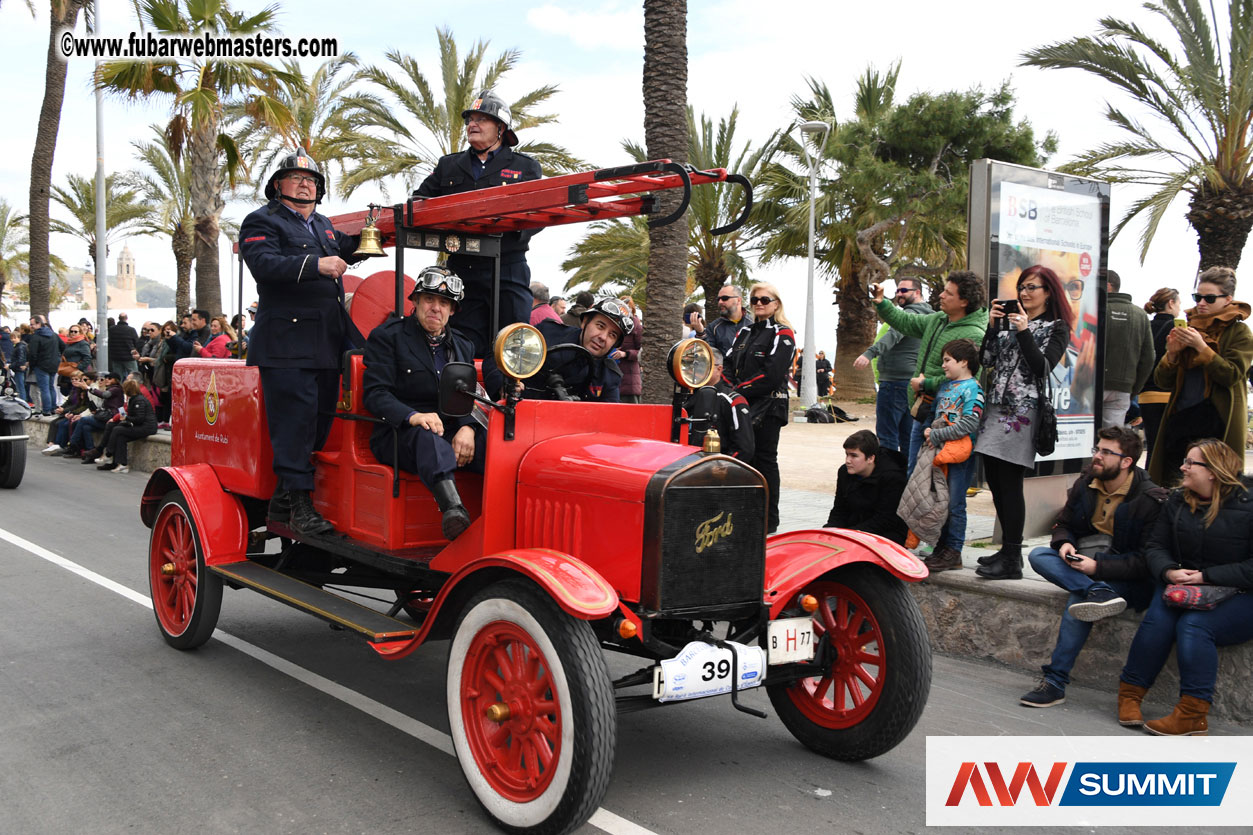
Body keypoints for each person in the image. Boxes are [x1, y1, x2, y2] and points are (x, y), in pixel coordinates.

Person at [239, 152, 365, 536]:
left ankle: (283, 500)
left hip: (327, 339)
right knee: (295, 424)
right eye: (295, 177)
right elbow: (263, 264)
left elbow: (352, 246)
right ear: (278, 185)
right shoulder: (261, 220)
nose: (305, 184)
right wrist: (316, 265)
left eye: (311, 179)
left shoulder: (324, 225)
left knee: (321, 422)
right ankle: (300, 507)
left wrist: (379, 231)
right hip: (287, 343)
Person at [1019, 426, 1165, 708]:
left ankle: (1055, 682)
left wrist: (1098, 568)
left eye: (1106, 452)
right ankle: (1097, 590)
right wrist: (1065, 543)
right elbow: (1064, 524)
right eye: (1097, 449)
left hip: (1126, 577)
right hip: (1086, 564)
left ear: (1126, 461)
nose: (1097, 456)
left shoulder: (1150, 498)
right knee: (1039, 555)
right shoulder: (1086, 482)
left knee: (1079, 600)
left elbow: (1145, 562)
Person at [1117, 438, 1253, 735]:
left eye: (1191, 463)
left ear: (1213, 471)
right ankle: (1130, 695)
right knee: (1157, 622)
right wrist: (1168, 571)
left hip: (1240, 593)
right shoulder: (1177, 500)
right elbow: (1155, 546)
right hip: (1182, 586)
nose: (1183, 467)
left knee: (1194, 626)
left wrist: (1207, 576)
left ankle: (1192, 714)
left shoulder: (1248, 503)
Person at [413, 90, 542, 357]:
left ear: (501, 129)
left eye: (481, 119)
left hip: (507, 268)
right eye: (470, 119)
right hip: (463, 269)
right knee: (463, 345)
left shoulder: (525, 167)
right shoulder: (449, 165)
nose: (473, 124)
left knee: (513, 343)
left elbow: (540, 213)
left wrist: (511, 229)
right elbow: (419, 201)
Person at [363, 267, 484, 540]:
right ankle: (454, 511)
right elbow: (375, 394)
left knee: (493, 441)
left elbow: (469, 394)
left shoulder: (463, 345)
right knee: (427, 437)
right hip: (399, 433)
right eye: (429, 299)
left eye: (444, 303)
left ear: (452, 310)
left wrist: (468, 427)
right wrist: (413, 416)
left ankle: (504, 516)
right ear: (416, 301)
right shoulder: (388, 337)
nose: (436, 308)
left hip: (449, 427)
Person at [973, 265, 1074, 581]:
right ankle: (1008, 552)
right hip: (995, 409)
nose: (1024, 293)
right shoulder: (1008, 323)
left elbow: (1041, 367)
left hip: (1022, 413)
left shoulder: (1056, 327)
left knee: (1010, 482)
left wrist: (1024, 331)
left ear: (1049, 292)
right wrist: (993, 328)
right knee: (995, 481)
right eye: (1022, 287)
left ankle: (1012, 557)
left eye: (1032, 287)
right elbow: (985, 360)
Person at [871, 271, 988, 473]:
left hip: (946, 419)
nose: (941, 295)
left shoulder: (975, 334)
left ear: (964, 301)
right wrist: (882, 303)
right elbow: (905, 322)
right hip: (922, 409)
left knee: (933, 476)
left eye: (948, 293)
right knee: (915, 472)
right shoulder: (938, 319)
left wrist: (926, 384)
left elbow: (969, 380)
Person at [1147, 266, 1253, 486]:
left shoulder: (1239, 332)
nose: (1201, 303)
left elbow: (1231, 375)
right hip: (1181, 418)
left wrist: (1201, 347)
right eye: (1198, 297)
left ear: (1228, 299)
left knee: (1216, 484)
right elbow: (1162, 381)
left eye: (1209, 298)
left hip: (1217, 421)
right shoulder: (1188, 327)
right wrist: (1172, 354)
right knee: (1174, 483)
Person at [904, 337, 985, 571]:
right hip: (938, 453)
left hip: (959, 456)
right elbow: (933, 415)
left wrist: (938, 434)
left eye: (948, 360)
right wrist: (927, 430)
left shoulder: (973, 389)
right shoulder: (945, 387)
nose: (943, 365)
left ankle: (954, 550)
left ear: (964, 361)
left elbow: (970, 422)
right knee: (938, 500)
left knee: (955, 503)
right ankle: (940, 546)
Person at [723, 282, 796, 534]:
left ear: (776, 304)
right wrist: (732, 391)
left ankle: (768, 520)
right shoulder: (744, 332)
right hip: (742, 405)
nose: (759, 304)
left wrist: (738, 390)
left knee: (765, 460)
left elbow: (772, 374)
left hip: (769, 407)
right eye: (754, 300)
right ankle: (745, 516)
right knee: (743, 459)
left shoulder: (783, 333)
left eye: (765, 300)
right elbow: (728, 364)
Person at [855, 277, 933, 453]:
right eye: (897, 291)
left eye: (904, 290)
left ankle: (888, 469)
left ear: (917, 292)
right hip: (913, 384)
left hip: (894, 383)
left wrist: (869, 353)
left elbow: (893, 336)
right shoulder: (930, 316)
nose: (899, 294)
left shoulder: (909, 316)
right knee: (907, 437)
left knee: (887, 436)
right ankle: (905, 471)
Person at [528, 298, 631, 402]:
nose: (603, 337)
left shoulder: (609, 375)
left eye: (612, 335)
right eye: (600, 326)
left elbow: (611, 409)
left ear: (615, 344)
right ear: (585, 322)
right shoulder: (546, 334)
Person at [823, 429, 908, 544]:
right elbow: (839, 509)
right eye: (847, 454)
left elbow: (886, 519)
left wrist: (851, 535)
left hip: (887, 532)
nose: (848, 461)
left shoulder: (893, 477)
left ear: (870, 458)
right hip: (855, 527)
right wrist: (830, 531)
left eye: (854, 456)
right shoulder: (844, 472)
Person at [1101, 270, 1155, 427]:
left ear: (1107, 286)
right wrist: (1133, 389)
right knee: (1112, 435)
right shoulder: (1140, 315)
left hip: (1090, 386)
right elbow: (1148, 358)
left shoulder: (1096, 310)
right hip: (1123, 388)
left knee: (1084, 434)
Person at [1139, 287, 1182, 466]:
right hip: (1167, 394)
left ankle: (1150, 478)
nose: (1179, 308)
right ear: (1171, 303)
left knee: (1153, 446)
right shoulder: (1176, 328)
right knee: (1170, 447)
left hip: (1145, 395)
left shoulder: (1145, 326)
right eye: (1179, 303)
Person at [96, 376, 157, 473]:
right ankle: (122, 464)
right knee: (120, 436)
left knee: (117, 429)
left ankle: (108, 454)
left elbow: (139, 418)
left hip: (147, 427)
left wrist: (126, 418)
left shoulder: (139, 400)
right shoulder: (133, 399)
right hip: (140, 425)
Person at [65, 370, 123, 460]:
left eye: (109, 378)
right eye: (104, 378)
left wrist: (88, 388)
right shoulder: (107, 388)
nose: (106, 380)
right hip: (104, 416)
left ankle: (73, 443)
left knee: (83, 420)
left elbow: (105, 395)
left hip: (110, 418)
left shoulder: (116, 389)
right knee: (86, 427)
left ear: (116, 380)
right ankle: (90, 451)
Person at [695, 284, 753, 359]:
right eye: (718, 299)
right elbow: (707, 355)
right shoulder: (713, 327)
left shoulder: (753, 323)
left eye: (725, 298)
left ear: (738, 300)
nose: (720, 302)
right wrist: (700, 333)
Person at [614, 296, 643, 403]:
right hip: (613, 377)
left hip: (630, 379)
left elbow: (642, 352)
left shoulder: (636, 326)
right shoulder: (614, 323)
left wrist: (625, 354)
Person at [108, 313, 140, 378]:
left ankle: (120, 384)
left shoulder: (111, 329)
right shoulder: (131, 330)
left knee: (118, 377)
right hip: (129, 357)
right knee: (134, 376)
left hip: (116, 357)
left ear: (118, 318)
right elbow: (136, 343)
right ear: (126, 318)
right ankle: (133, 384)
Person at [7, 329, 28, 404]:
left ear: (19, 338)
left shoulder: (19, 347)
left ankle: (22, 402)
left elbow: (20, 360)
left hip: (19, 369)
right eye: (11, 338)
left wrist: (10, 366)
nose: (13, 340)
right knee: (21, 386)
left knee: (20, 387)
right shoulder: (20, 346)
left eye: (14, 338)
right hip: (19, 369)